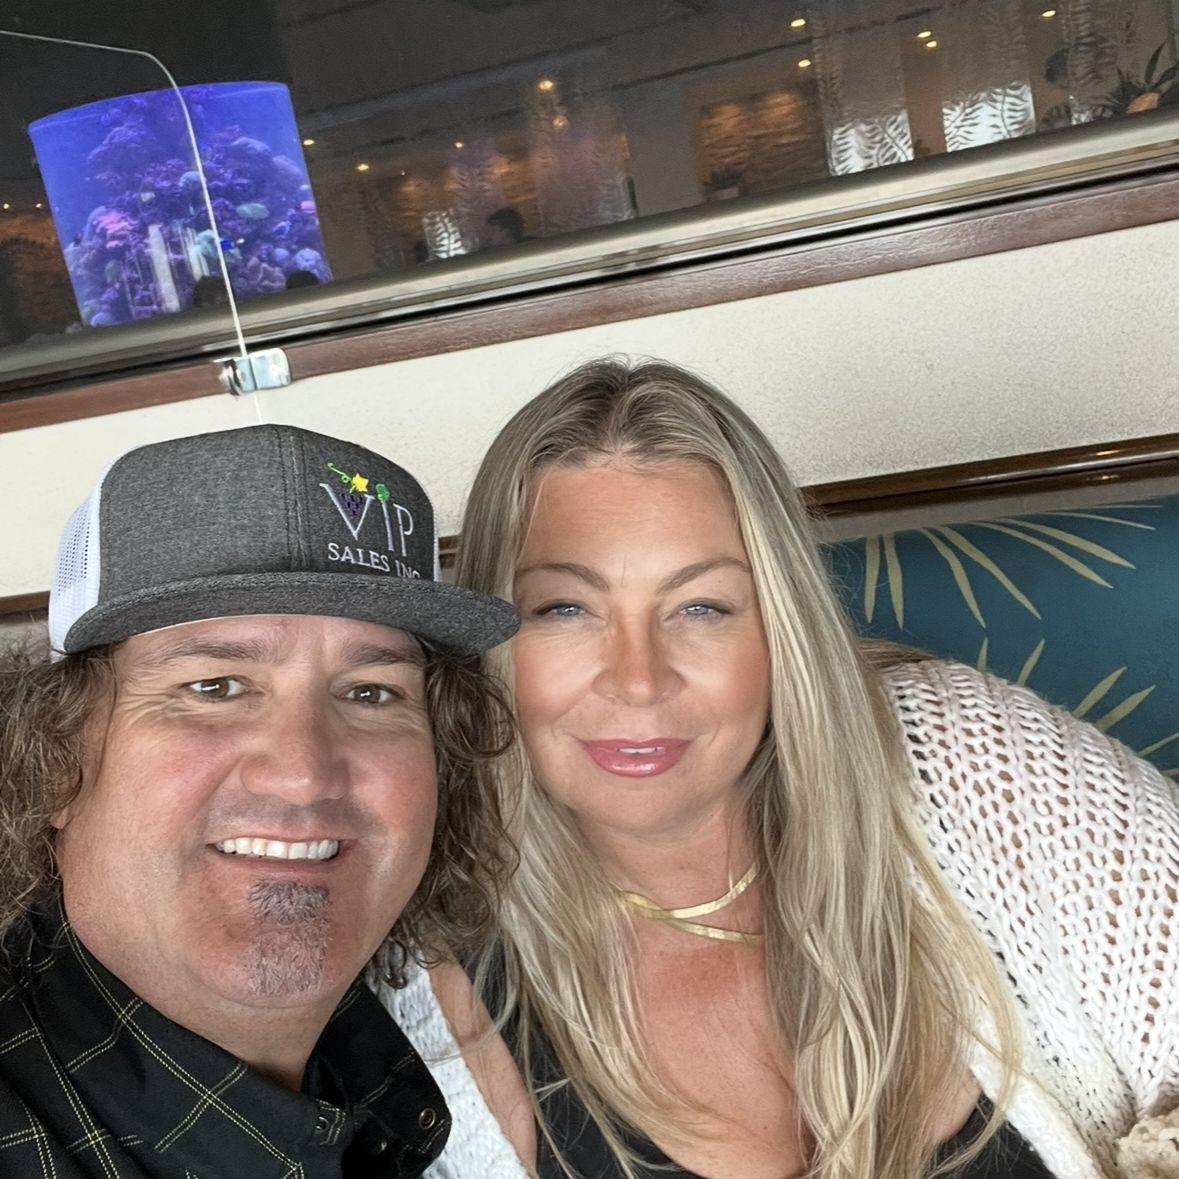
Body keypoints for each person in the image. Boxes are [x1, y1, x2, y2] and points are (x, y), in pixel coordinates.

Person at [383, 359, 1178, 1179]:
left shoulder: (967, 761)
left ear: (779, 629)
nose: (638, 679)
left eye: (701, 606)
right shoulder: (415, 978)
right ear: (488, 641)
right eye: (565, 608)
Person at [0, 423, 518, 1178]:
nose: (303, 774)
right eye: (214, 687)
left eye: (370, 692)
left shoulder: (366, 1080)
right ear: (55, 759)